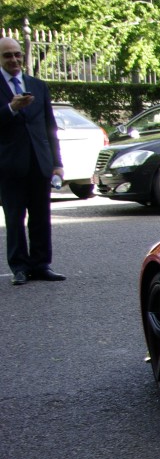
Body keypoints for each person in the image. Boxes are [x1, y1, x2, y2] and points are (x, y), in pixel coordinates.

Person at [0, 36, 66, 285]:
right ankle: (19, 267)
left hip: (40, 162)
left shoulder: (38, 85)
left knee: (41, 216)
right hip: (10, 164)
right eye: (8, 55)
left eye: (17, 54)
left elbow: (50, 127)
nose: (14, 60)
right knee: (15, 217)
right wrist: (11, 108)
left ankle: (41, 264)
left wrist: (57, 162)